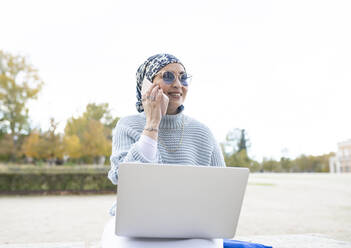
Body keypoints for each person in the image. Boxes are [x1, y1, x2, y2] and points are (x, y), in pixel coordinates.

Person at [102, 53, 226, 248]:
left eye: (183, 77)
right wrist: (152, 123)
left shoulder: (203, 132)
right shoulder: (127, 125)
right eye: (168, 76)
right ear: (146, 85)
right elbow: (123, 177)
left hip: (191, 224)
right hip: (136, 224)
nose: (178, 84)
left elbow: (222, 189)